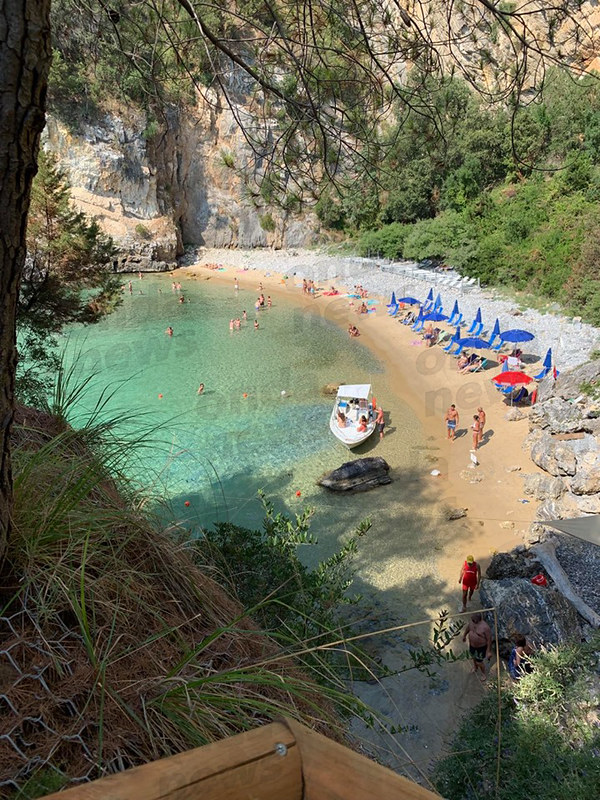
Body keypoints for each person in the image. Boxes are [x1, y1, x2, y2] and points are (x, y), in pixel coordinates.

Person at [462, 613, 492, 681]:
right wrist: (464, 635)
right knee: (473, 657)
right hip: (472, 645)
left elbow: (489, 640)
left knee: (479, 662)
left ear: (477, 619)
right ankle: (475, 667)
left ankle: (483, 673)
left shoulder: (485, 627)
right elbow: (468, 628)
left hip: (481, 647)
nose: (472, 620)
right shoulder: (471, 623)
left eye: (473, 619)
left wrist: (488, 651)